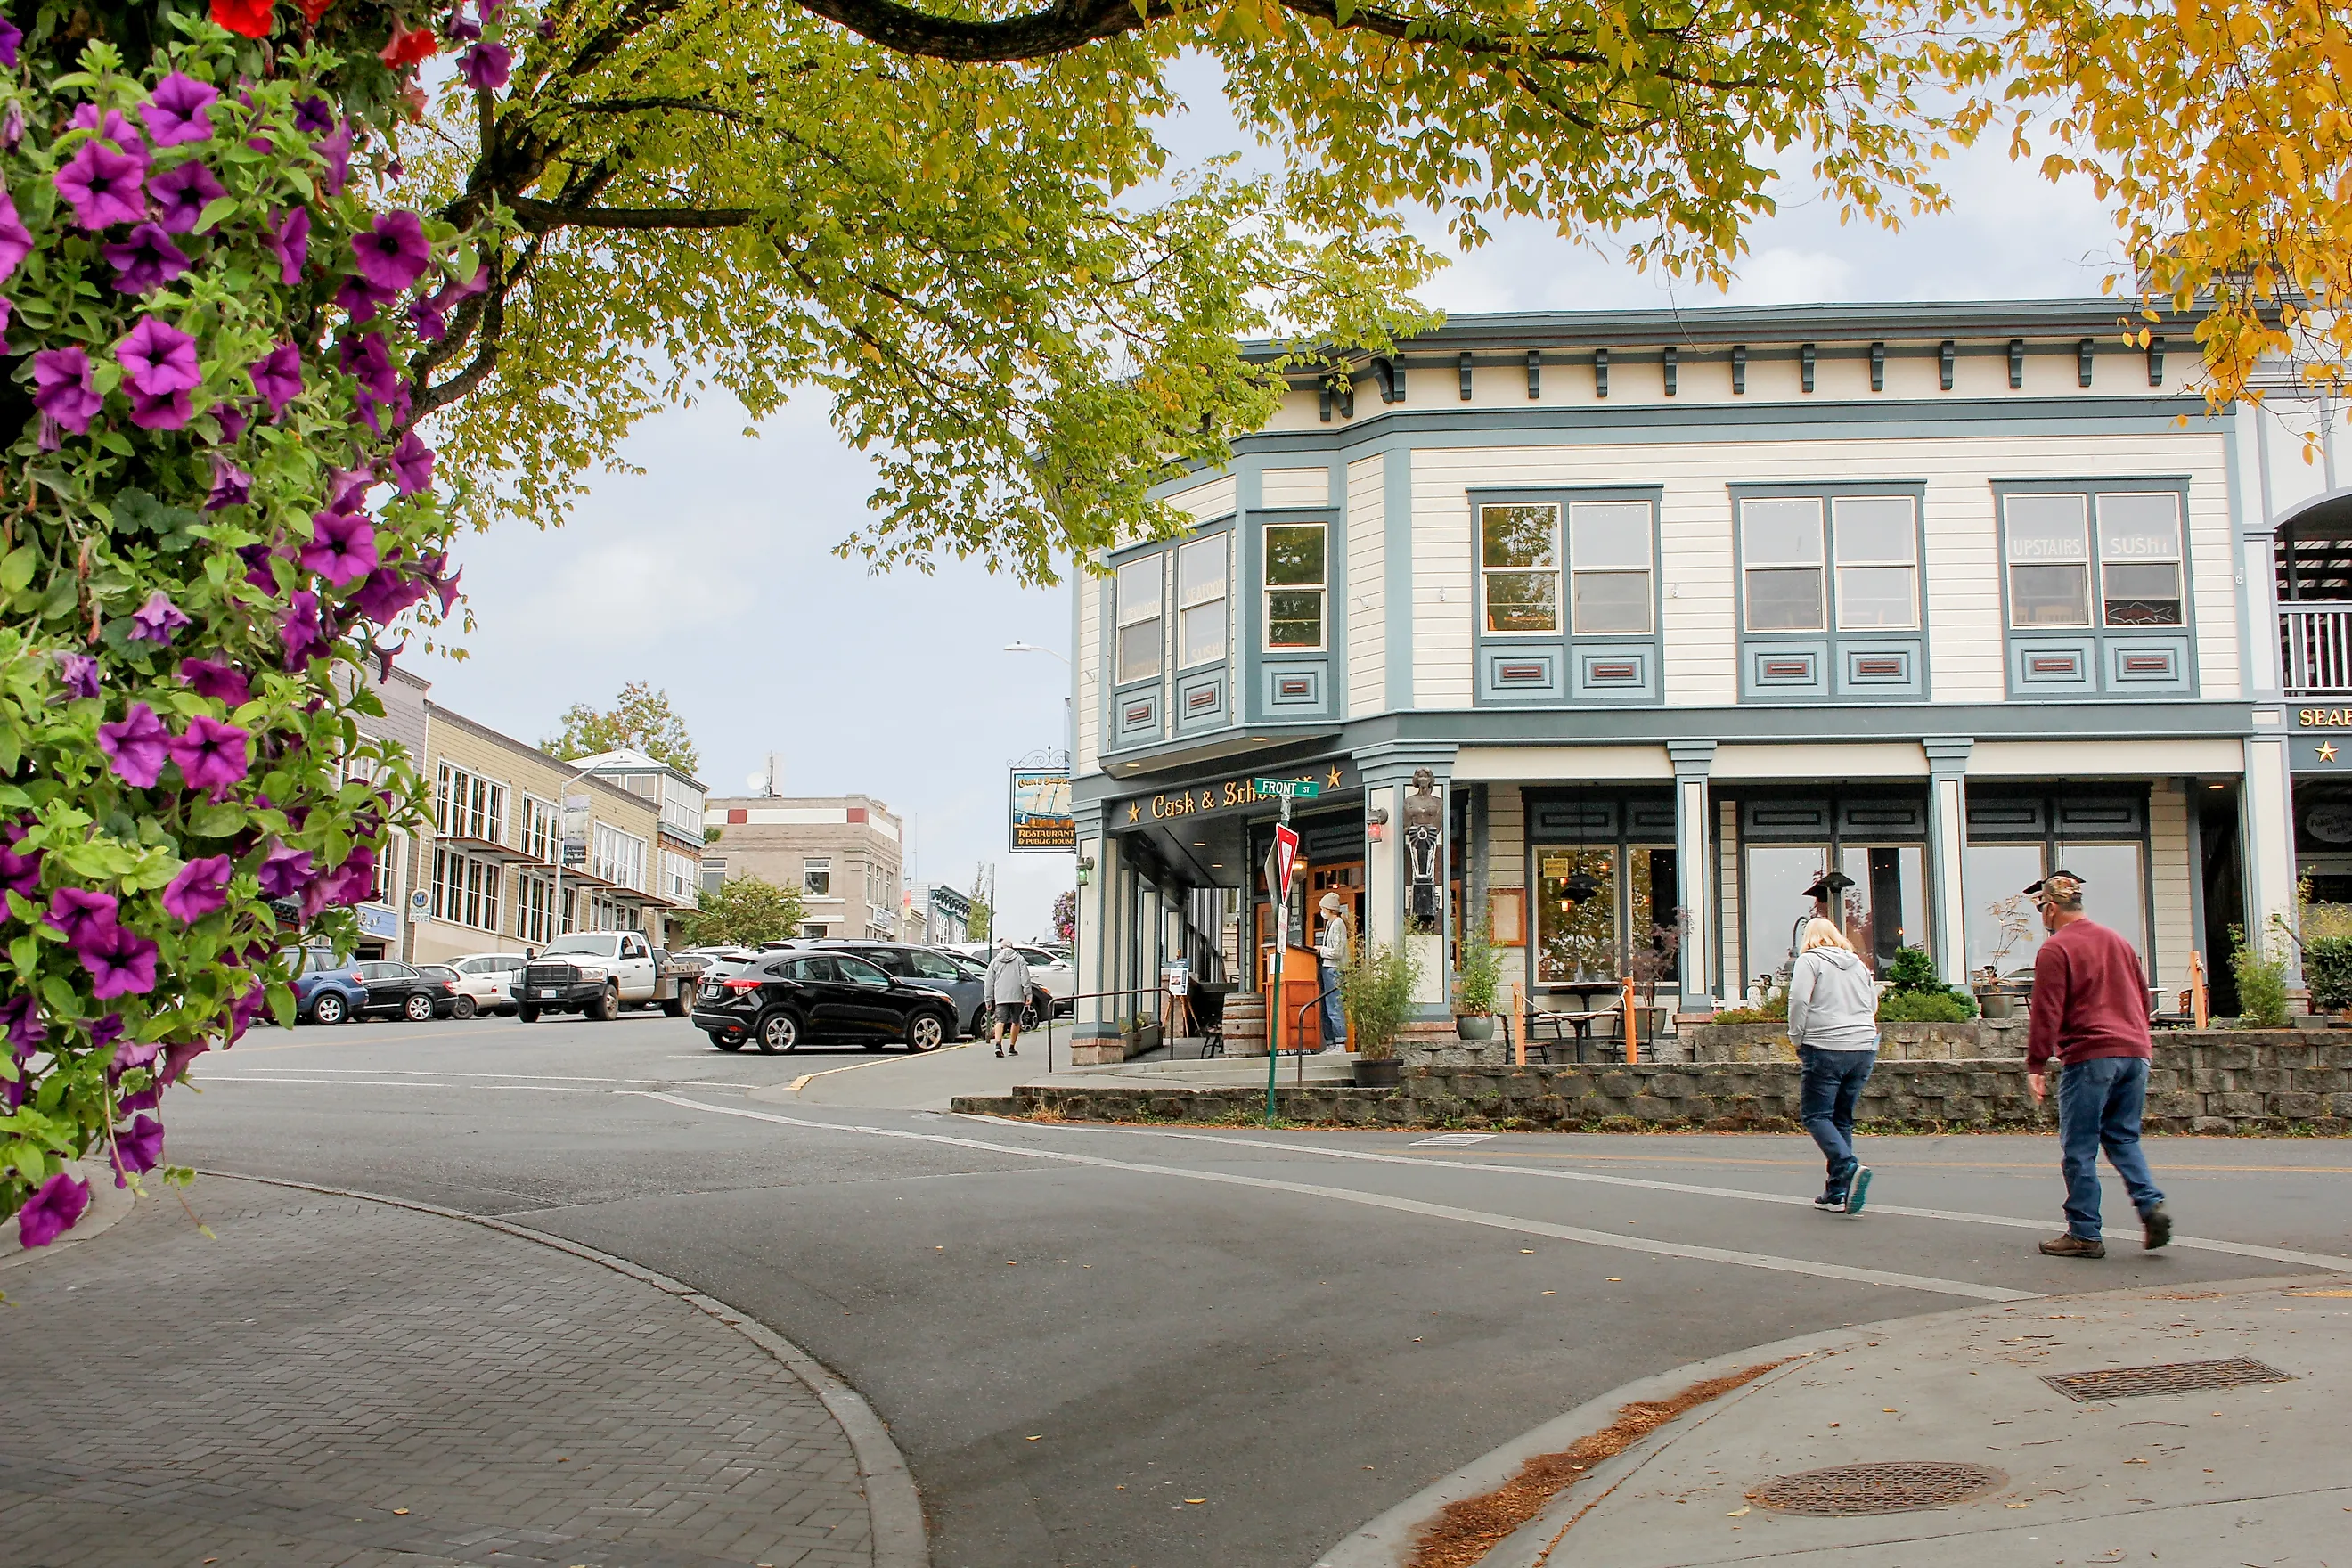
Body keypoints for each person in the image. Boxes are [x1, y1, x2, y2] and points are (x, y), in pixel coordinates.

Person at [2023, 871, 2171, 1259]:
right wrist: (2137, 1038)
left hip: (2091, 1055)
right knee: (2123, 1137)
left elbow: (2047, 1010)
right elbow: (2141, 998)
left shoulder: (2057, 949)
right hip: (2135, 1053)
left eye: (2042, 907)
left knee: (2079, 1146)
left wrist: (2036, 1063)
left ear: (2052, 908)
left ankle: (2085, 1232)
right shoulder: (2118, 941)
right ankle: (2149, 1203)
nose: (2043, 915)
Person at [1787, 917, 1881, 1215]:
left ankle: (1847, 1166)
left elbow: (1799, 1000)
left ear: (1808, 938)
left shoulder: (1809, 961)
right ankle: (1836, 1192)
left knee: (1816, 1115)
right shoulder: (1858, 964)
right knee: (1842, 1119)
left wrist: (1796, 1037)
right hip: (1863, 1047)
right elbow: (1873, 1004)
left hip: (1825, 1045)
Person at [985, 937, 1032, 1058]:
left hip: (1001, 996)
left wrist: (988, 998)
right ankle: (1012, 1047)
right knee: (1016, 1021)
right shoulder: (1020, 960)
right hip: (1017, 996)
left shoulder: (995, 962)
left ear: (1001, 949)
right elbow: (1025, 978)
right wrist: (1028, 994)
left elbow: (989, 981)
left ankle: (998, 1045)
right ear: (1012, 948)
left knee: (1000, 1020)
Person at [1315, 893, 1350, 1051]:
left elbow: (1337, 951)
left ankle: (1340, 1042)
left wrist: (1321, 950)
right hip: (1326, 967)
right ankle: (1331, 1043)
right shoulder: (1330, 924)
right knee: (1326, 1006)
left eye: (1323, 908)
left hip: (1334, 969)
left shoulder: (1338, 924)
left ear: (1329, 909)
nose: (1321, 911)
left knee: (1334, 1005)